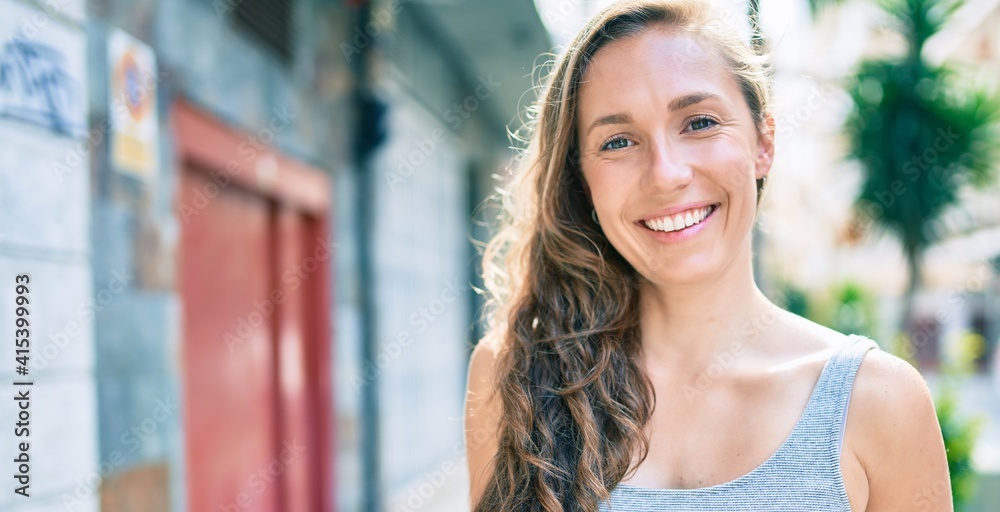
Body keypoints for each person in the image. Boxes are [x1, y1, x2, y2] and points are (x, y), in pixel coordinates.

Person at [464, 0, 952, 510]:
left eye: (698, 123)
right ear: (582, 180)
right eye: (618, 141)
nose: (666, 173)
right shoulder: (515, 378)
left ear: (763, 142)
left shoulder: (878, 402)